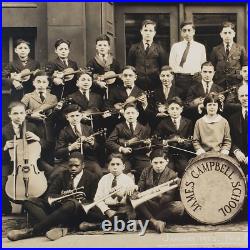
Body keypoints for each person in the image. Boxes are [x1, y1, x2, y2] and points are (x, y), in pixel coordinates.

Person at [7, 152, 99, 241]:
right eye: (70, 166)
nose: (73, 168)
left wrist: (76, 200)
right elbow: (49, 196)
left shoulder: (92, 178)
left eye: (76, 166)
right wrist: (66, 197)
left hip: (77, 212)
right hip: (59, 209)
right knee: (28, 201)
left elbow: (94, 201)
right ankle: (56, 227)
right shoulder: (62, 175)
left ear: (83, 165)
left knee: (70, 204)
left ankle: (34, 231)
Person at [2, 102, 51, 215]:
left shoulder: (32, 126)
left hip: (33, 161)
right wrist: (4, 147)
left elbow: (48, 146)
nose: (19, 116)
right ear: (9, 115)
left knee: (53, 173)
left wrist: (38, 139)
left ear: (25, 114)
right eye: (15, 113)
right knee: (2, 182)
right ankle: (6, 208)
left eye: (21, 113)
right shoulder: (3, 130)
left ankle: (37, 204)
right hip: (10, 163)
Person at [134, 149, 185, 233]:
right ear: (151, 162)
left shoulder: (172, 175)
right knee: (135, 200)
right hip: (149, 203)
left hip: (163, 206)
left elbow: (169, 197)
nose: (158, 166)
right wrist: (136, 190)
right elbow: (140, 187)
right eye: (155, 163)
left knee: (179, 207)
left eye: (161, 162)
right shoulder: (146, 171)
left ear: (167, 161)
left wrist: (160, 195)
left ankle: (150, 221)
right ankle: (155, 222)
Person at [106, 103, 151, 182]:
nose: (130, 115)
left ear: (137, 114)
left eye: (133, 113)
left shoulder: (143, 128)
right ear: (124, 114)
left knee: (148, 171)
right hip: (124, 157)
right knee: (120, 172)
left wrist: (148, 145)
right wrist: (121, 149)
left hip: (139, 156)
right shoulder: (119, 127)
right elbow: (109, 142)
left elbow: (146, 149)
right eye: (128, 113)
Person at [55, 104, 103, 178]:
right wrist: (71, 148)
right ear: (67, 117)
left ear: (81, 116)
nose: (75, 118)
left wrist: (93, 143)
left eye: (77, 115)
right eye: (72, 116)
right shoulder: (63, 131)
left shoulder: (88, 129)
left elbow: (98, 149)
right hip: (70, 162)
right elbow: (58, 152)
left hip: (87, 161)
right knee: (53, 175)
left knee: (99, 174)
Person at [21, 70, 58, 165]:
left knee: (49, 159)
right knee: (35, 158)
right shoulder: (28, 97)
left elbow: (55, 116)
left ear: (48, 83)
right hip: (33, 130)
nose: (41, 84)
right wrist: (30, 115)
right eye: (38, 81)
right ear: (33, 83)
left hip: (49, 131)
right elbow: (19, 113)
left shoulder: (53, 97)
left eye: (44, 82)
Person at [154, 97, 193, 177]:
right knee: (167, 171)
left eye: (177, 108)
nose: (174, 111)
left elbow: (190, 141)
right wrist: (164, 142)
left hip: (182, 154)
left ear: (181, 109)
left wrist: (184, 142)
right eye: (172, 108)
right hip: (168, 154)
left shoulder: (188, 122)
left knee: (185, 170)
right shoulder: (163, 123)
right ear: (168, 110)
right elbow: (155, 139)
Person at [169, 20, 206, 101]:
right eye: (184, 30)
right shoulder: (176, 47)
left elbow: (203, 65)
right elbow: (171, 65)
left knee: (195, 102)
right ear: (181, 32)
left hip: (196, 79)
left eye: (189, 30)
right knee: (180, 101)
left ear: (194, 32)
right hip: (181, 79)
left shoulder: (200, 47)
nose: (187, 33)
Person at [127, 19, 167, 91]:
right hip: (138, 84)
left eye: (150, 31)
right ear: (141, 31)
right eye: (145, 30)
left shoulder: (159, 48)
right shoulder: (134, 48)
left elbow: (163, 67)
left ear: (154, 33)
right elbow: (131, 66)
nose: (148, 33)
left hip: (155, 84)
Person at [210, 21, 248, 90]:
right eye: (225, 33)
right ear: (221, 34)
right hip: (220, 83)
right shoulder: (215, 50)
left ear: (234, 34)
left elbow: (245, 66)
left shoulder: (240, 48)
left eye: (229, 33)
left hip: (236, 83)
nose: (227, 35)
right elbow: (212, 68)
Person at [229, 85, 248, 175]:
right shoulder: (233, 118)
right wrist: (236, 151)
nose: (244, 98)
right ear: (238, 98)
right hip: (238, 158)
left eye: (247, 95)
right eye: (242, 96)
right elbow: (229, 139)